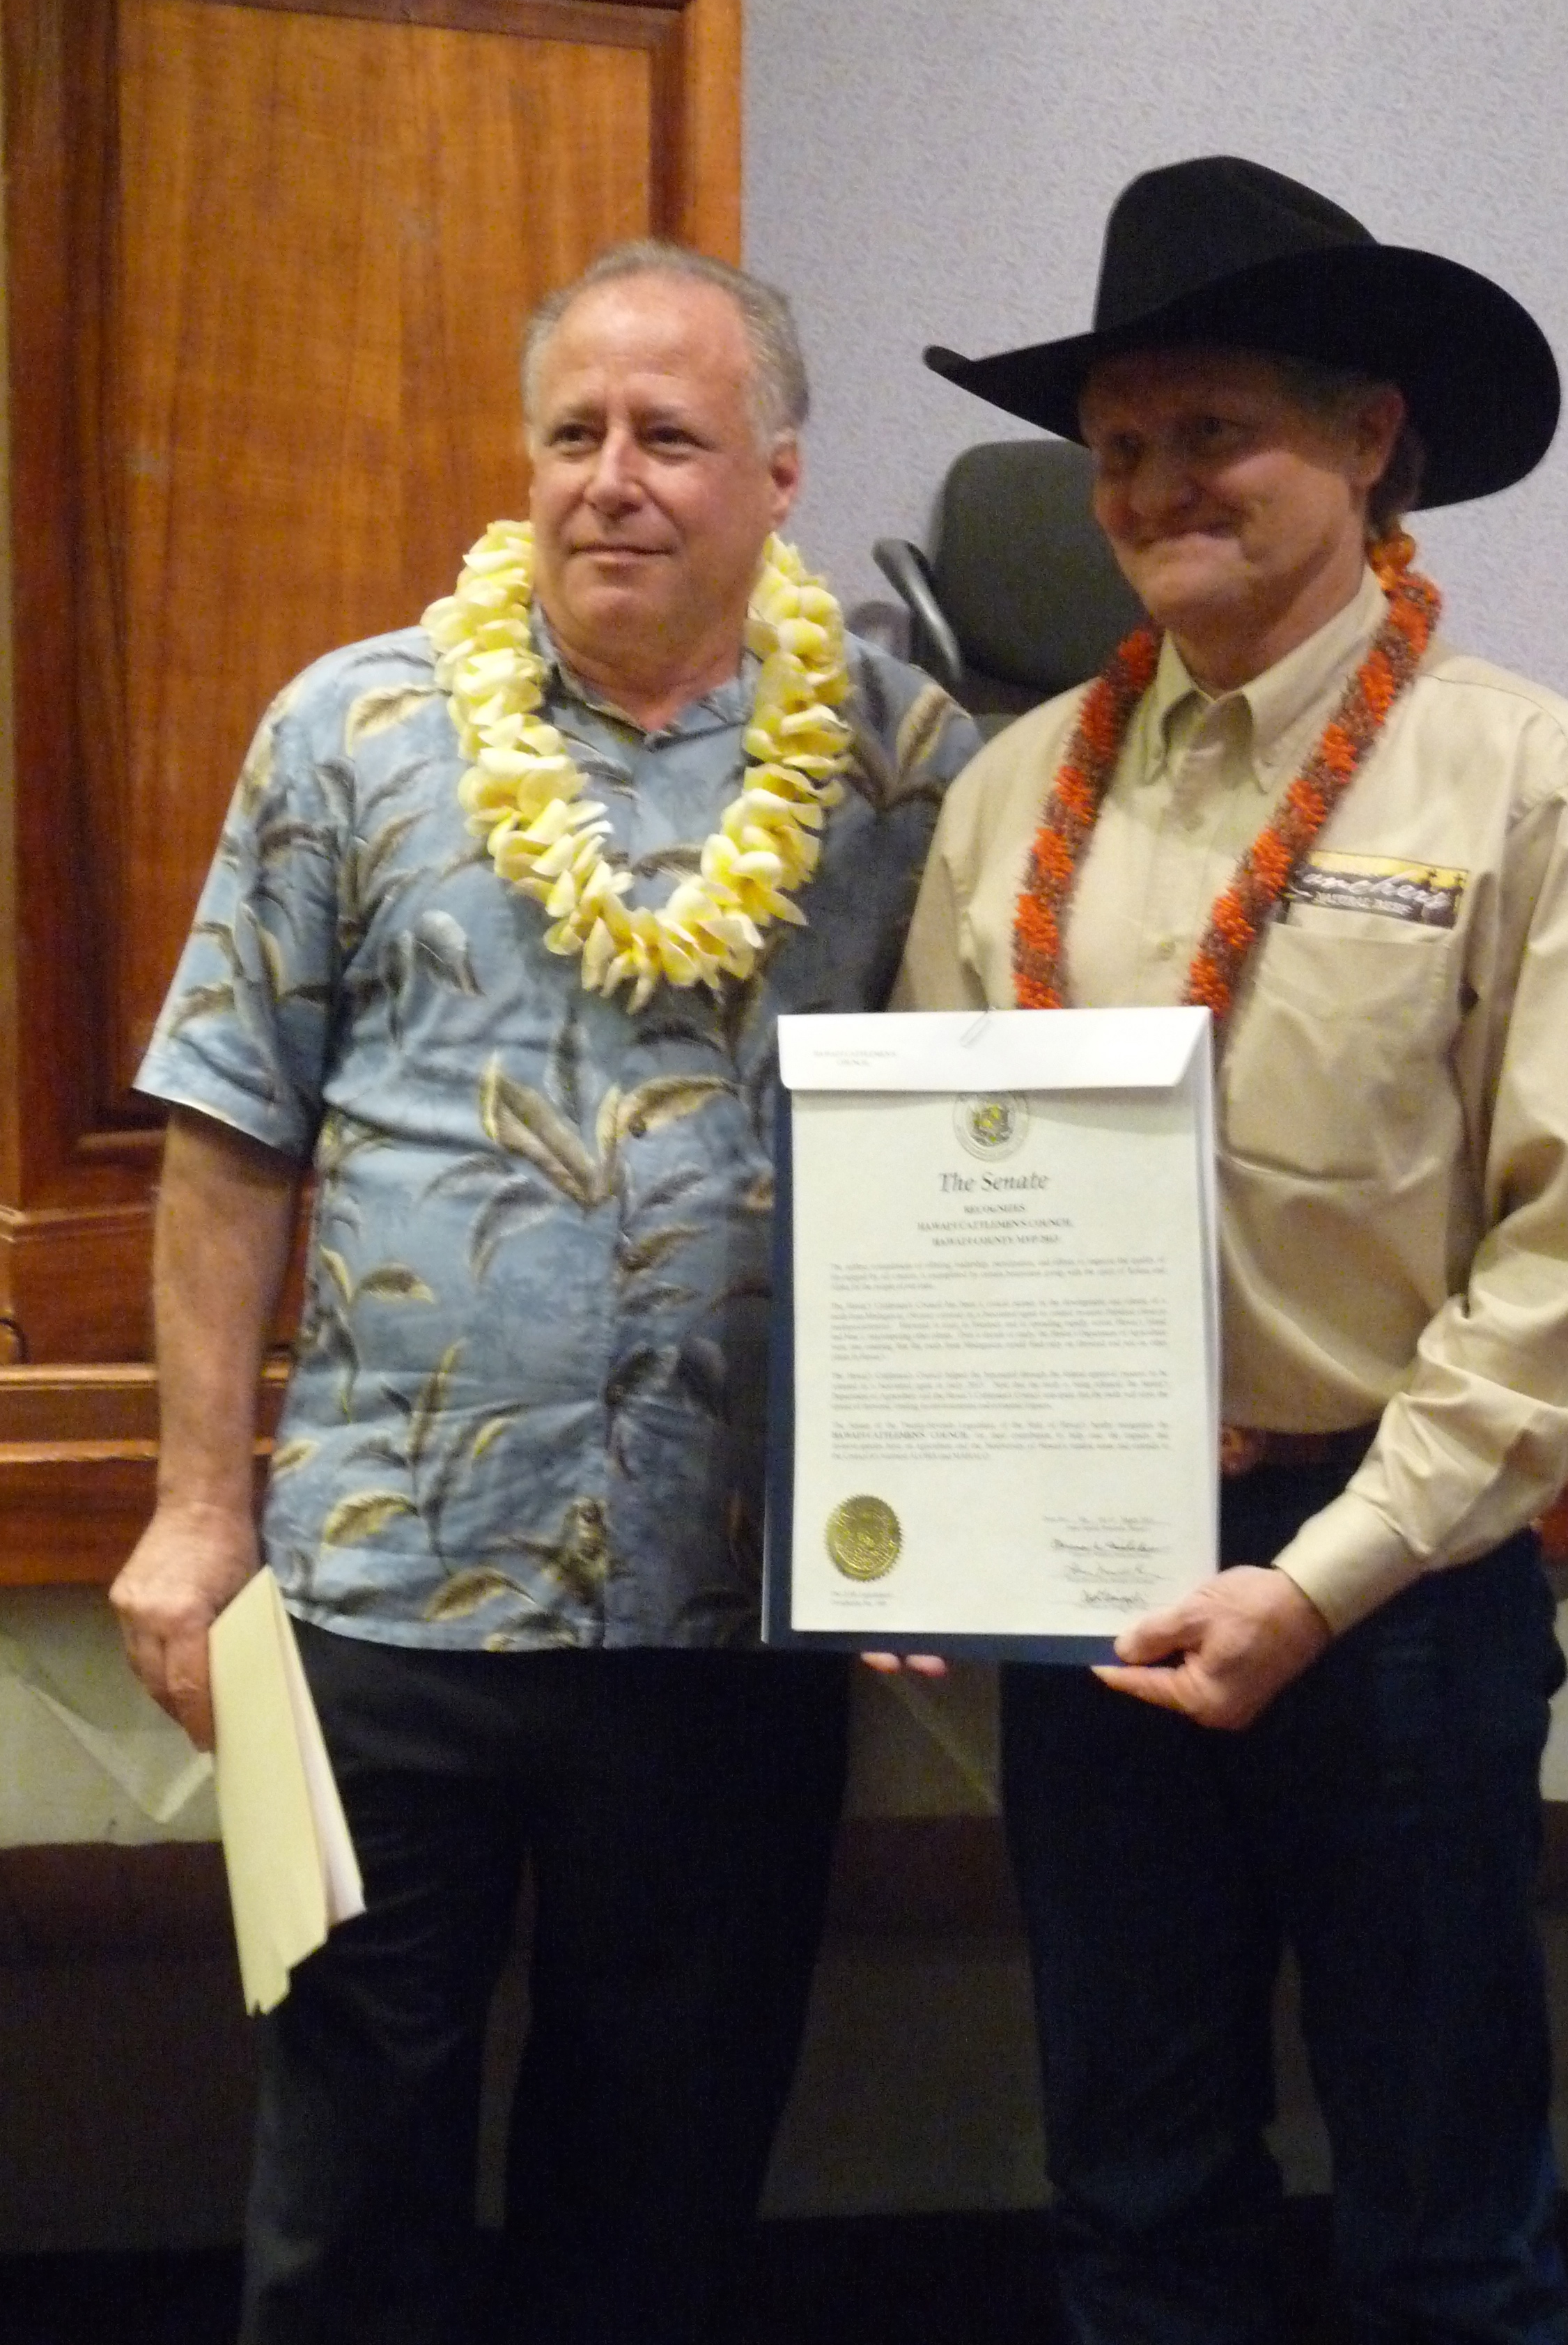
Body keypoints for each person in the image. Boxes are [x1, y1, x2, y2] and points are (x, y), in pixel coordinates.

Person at [110, 240, 979, 2345]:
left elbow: (973, 1144)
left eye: (670, 436)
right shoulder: (355, 729)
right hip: (384, 1593)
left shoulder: (907, 762)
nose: (612, 477)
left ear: (780, 473)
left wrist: (945, 1500)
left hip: (726, 1615)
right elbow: (230, 1133)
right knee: (349, 2195)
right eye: (573, 432)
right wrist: (195, 1506)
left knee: (657, 2199)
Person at [892, 157, 1568, 2343]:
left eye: (1213, 431)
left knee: (1446, 2226)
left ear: (1367, 437)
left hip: (1394, 1589)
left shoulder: (1528, 789)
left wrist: (1319, 1585)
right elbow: (942, 1184)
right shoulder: (1011, 796)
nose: (1155, 487)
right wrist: (923, 1503)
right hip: (1088, 1567)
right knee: (1134, 2200)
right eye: (1118, 445)